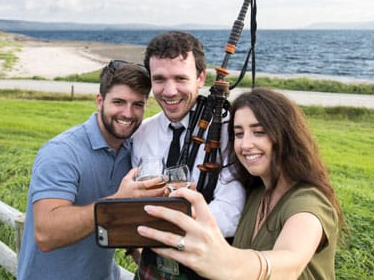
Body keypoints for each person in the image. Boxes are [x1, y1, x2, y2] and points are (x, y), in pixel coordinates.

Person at [136, 87, 346, 279]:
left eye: (259, 132)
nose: (245, 144)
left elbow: (290, 262)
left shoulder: (308, 202)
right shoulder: (255, 193)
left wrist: (227, 261)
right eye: (238, 134)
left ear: (285, 135)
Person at [17, 61, 167, 280]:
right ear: (100, 101)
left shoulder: (132, 151)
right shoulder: (61, 152)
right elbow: (46, 233)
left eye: (137, 104)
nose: (128, 113)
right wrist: (115, 203)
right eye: (118, 102)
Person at [131, 31, 246, 279]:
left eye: (181, 78)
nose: (170, 91)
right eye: (159, 79)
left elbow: (230, 213)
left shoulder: (228, 133)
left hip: (206, 267)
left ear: (200, 78)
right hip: (152, 265)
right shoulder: (142, 134)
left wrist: (163, 219)